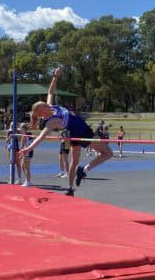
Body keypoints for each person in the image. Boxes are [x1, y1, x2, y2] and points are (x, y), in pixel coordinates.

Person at [21, 67, 112, 196]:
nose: (47, 104)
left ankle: (70, 189)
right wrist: (28, 148)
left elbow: (50, 92)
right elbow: (40, 137)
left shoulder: (50, 107)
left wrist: (55, 76)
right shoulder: (51, 122)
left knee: (74, 162)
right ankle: (85, 170)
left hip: (74, 133)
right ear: (42, 112)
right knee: (108, 153)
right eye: (44, 105)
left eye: (45, 103)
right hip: (81, 130)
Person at [19, 123, 34, 187]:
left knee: (27, 167)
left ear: (23, 128)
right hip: (29, 151)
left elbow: (22, 146)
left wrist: (20, 154)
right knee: (23, 165)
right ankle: (27, 179)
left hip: (27, 151)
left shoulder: (25, 135)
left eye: (21, 128)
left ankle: (28, 181)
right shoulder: (29, 133)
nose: (20, 129)